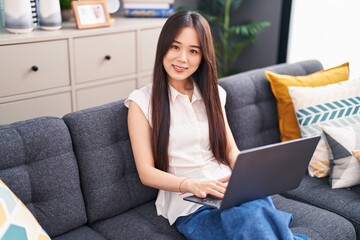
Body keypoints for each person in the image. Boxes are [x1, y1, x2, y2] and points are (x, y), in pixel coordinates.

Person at [125, 11, 309, 240]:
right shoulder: (141, 102)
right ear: (163, 47)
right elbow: (146, 173)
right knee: (255, 222)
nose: (182, 58)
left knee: (252, 213)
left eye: (193, 51)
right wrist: (191, 185)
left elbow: (231, 150)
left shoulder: (214, 94)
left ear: (203, 57)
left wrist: (248, 177)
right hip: (191, 206)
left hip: (233, 191)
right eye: (175, 47)